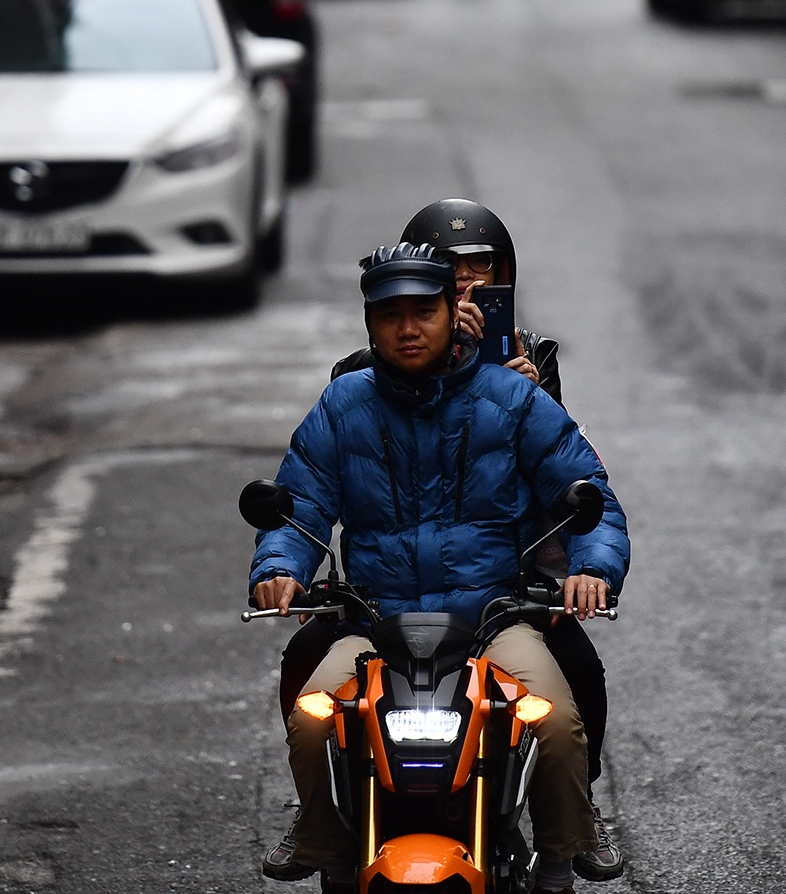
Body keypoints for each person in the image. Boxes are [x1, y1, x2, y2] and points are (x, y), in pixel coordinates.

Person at [251, 244, 632, 894]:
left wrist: (590, 568)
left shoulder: (514, 398)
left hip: (491, 621)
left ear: (450, 313)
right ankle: (326, 842)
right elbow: (300, 502)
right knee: (314, 716)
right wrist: (280, 565)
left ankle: (564, 860)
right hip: (374, 622)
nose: (407, 328)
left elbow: (587, 490)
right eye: (390, 314)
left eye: (422, 311)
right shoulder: (343, 404)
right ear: (369, 321)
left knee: (558, 724)